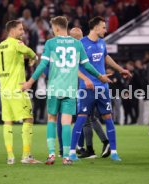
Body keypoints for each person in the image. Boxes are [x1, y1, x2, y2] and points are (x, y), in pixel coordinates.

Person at [21, 16, 112, 165]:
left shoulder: (50, 43)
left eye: (52, 28)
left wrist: (30, 82)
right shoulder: (77, 44)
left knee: (51, 119)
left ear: (56, 28)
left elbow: (42, 65)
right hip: (70, 89)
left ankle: (51, 155)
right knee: (66, 122)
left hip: (54, 89)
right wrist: (99, 76)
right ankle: (67, 157)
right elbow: (88, 66)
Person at [69, 16, 131, 162]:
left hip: (103, 87)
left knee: (108, 118)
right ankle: (72, 152)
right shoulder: (81, 44)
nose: (105, 29)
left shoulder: (102, 42)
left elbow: (106, 57)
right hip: (87, 88)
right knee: (82, 118)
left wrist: (120, 69)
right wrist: (85, 80)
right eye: (103, 27)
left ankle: (114, 152)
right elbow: (73, 66)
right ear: (95, 28)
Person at [0, 20, 41, 165]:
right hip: (18, 89)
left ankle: (10, 157)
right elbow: (31, 53)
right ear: (12, 30)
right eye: (20, 29)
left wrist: (5, 66)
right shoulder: (17, 44)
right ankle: (26, 156)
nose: (22, 32)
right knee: (28, 118)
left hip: (4, 92)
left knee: (7, 122)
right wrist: (34, 58)